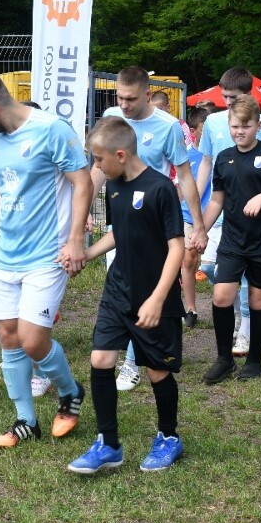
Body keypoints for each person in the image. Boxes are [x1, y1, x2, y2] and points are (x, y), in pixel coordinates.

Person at [0, 71, 92, 448]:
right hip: (5, 256)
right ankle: (25, 420)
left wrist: (76, 239)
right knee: (8, 336)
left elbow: (82, 181)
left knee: (34, 341)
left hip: (46, 255)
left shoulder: (52, 129)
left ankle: (69, 391)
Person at [67, 117, 186, 474]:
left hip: (154, 297)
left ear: (121, 154)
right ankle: (109, 444)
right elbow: (119, 232)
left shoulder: (161, 188)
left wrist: (157, 299)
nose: (97, 167)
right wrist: (86, 254)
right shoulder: (114, 187)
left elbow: (176, 248)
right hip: (117, 291)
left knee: (156, 371)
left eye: (100, 160)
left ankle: (169, 437)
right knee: (101, 359)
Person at [94, 66, 206, 392]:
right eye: (119, 97)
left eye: (130, 98)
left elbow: (184, 176)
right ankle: (123, 356)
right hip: (120, 220)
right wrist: (82, 213)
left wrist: (198, 225)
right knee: (120, 291)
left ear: (147, 94)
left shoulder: (169, 127)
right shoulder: (112, 117)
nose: (124, 105)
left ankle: (132, 363)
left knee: (145, 293)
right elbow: (97, 170)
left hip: (153, 225)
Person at [201, 95, 261, 384]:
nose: (239, 131)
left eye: (245, 126)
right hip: (232, 240)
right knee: (221, 296)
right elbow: (217, 200)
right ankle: (224, 359)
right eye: (234, 126)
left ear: (257, 125)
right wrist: (200, 230)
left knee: (258, 301)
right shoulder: (224, 158)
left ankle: (254, 361)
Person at [194, 67, 261, 356]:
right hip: (220, 209)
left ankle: (245, 328)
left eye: (234, 97)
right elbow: (205, 163)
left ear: (249, 95)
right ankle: (239, 316)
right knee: (208, 266)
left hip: (253, 217)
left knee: (246, 278)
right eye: (224, 96)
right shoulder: (214, 122)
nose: (228, 102)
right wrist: (196, 209)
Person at [181, 105, 211, 329]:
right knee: (188, 259)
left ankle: (231, 304)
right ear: (194, 131)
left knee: (211, 266)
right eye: (202, 129)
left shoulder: (219, 154)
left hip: (215, 218)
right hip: (189, 216)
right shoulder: (186, 156)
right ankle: (191, 309)